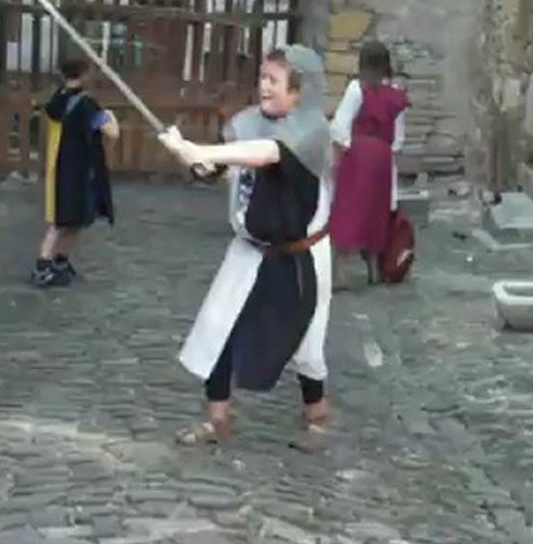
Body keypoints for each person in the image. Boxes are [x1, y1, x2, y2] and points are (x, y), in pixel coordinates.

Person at [159, 44, 333, 450]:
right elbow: (224, 167)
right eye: (263, 78)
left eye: (275, 80)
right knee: (219, 325)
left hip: (301, 252)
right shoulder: (247, 122)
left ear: (298, 90)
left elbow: (270, 153)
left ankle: (317, 417)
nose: (265, 87)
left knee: (307, 341)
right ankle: (216, 419)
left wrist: (201, 151)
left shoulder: (312, 131)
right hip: (250, 247)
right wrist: (197, 160)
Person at [31, 58, 119, 287]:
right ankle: (43, 266)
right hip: (79, 168)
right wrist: (111, 116)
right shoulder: (86, 105)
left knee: (72, 219)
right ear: (84, 74)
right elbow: (112, 133)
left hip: (59, 166)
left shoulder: (57, 99)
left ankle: (60, 261)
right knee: (62, 221)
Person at [328, 40, 408, 286]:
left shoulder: (356, 89)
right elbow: (398, 138)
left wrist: (344, 148)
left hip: (358, 155)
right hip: (382, 158)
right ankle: (373, 269)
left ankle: (340, 272)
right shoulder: (396, 95)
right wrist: (387, 152)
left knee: (348, 213)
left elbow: (339, 127)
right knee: (375, 213)